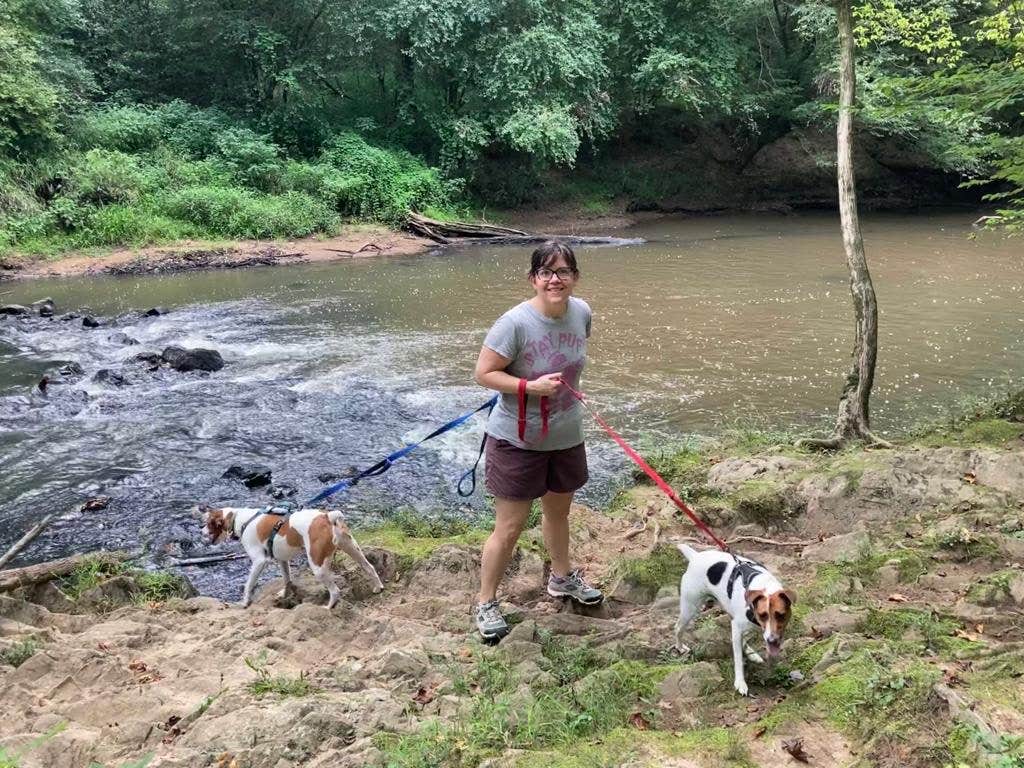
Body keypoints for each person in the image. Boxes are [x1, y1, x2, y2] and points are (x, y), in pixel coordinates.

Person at [472, 240, 603, 641]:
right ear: (533, 279)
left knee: (559, 513)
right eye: (546, 272)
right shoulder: (513, 323)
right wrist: (529, 386)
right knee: (509, 527)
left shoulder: (582, 312)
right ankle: (486, 602)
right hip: (517, 438)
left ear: (575, 277)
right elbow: (484, 373)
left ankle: (561, 578)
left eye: (563, 271)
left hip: (565, 434)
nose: (555, 280)